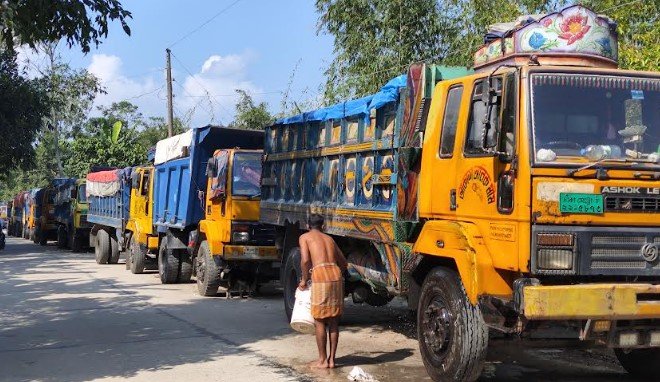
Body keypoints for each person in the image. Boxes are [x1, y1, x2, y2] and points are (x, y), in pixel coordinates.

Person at [298, 214, 348, 369]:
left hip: (320, 275)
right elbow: (344, 262)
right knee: (333, 320)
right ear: (323, 226)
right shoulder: (329, 239)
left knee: (319, 319)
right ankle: (332, 360)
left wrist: (304, 280)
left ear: (308, 226)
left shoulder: (304, 237)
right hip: (335, 274)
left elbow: (305, 260)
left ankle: (322, 360)